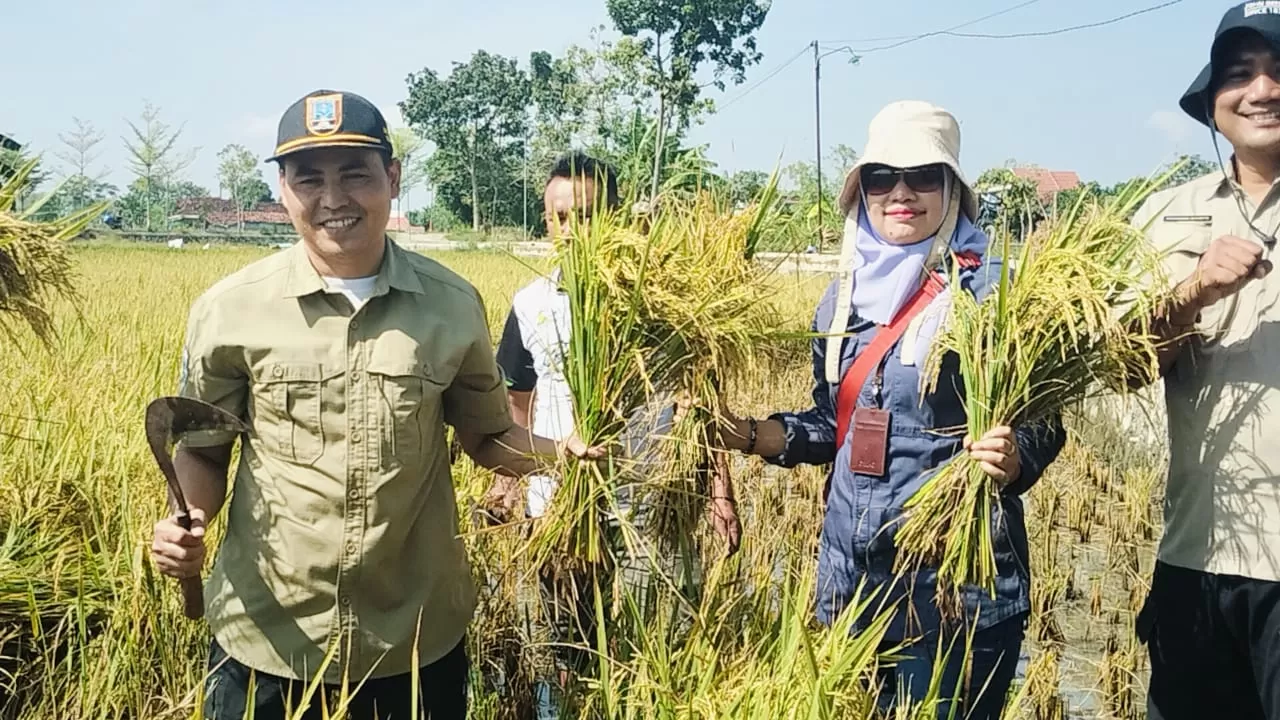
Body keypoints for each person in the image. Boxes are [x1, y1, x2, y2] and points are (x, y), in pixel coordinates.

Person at [149, 89, 602, 720]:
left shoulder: (451, 305)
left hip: (414, 642)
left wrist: (563, 455)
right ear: (283, 191)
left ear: (393, 177)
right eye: (309, 179)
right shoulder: (229, 310)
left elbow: (488, 435)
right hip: (269, 640)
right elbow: (204, 447)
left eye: (355, 175)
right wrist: (185, 522)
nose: (333, 199)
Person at [714, 101, 1065, 719]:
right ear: (862, 192)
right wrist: (744, 434)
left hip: (958, 587)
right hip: (855, 583)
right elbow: (833, 426)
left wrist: (1013, 457)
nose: (901, 193)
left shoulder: (993, 289)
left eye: (923, 176)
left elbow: (1043, 420)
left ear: (952, 190)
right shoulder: (842, 299)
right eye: (883, 178)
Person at [477, 150, 741, 716]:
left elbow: (699, 403)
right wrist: (506, 485)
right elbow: (517, 404)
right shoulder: (532, 304)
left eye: (591, 215)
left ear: (617, 217)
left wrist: (720, 489)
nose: (575, 231)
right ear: (547, 223)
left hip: (651, 500)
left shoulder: (659, 304)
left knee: (661, 646)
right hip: (561, 496)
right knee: (565, 651)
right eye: (562, 217)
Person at [1129, 4, 1280, 718]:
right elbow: (1122, 362)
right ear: (1213, 95)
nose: (1263, 89)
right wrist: (1192, 291)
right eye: (1241, 72)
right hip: (1197, 553)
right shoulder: (1166, 216)